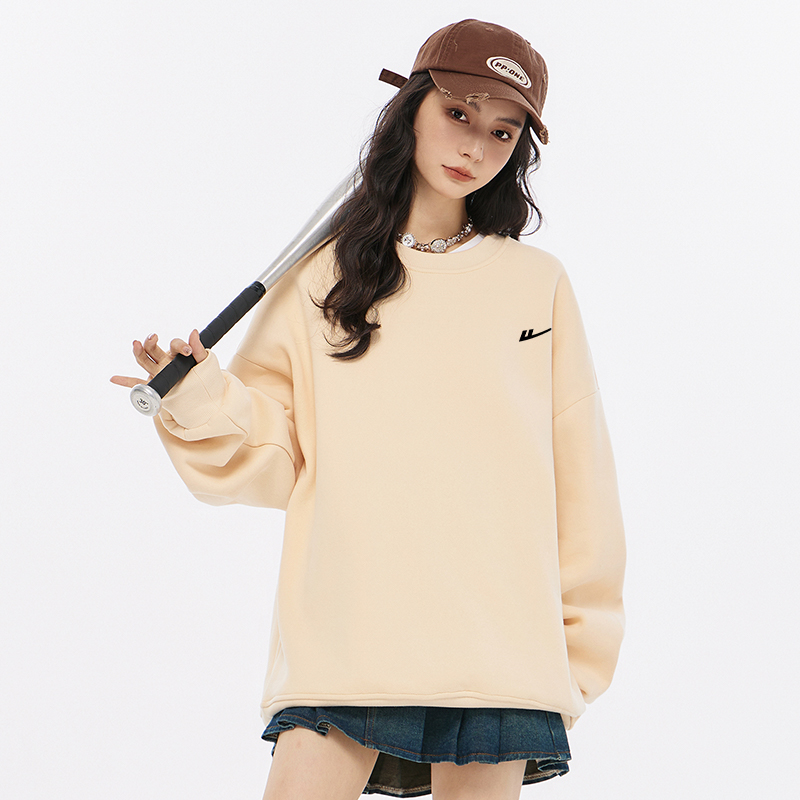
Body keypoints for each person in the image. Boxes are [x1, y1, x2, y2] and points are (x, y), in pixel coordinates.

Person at [111, 18, 626, 800]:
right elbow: (273, 459)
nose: (474, 145)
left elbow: (580, 479)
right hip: (347, 632)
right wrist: (200, 396)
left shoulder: (537, 284)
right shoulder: (320, 277)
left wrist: (577, 656)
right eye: (458, 112)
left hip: (499, 647)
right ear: (412, 107)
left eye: (501, 130)